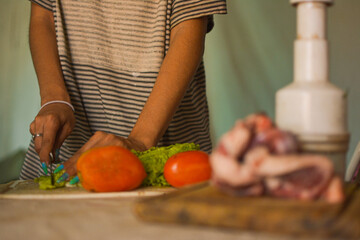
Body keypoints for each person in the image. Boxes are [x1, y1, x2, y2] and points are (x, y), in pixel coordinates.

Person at [20, 0, 227, 183]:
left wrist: (140, 141)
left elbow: (187, 30)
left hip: (166, 154)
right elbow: (43, 17)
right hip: (69, 148)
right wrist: (55, 99)